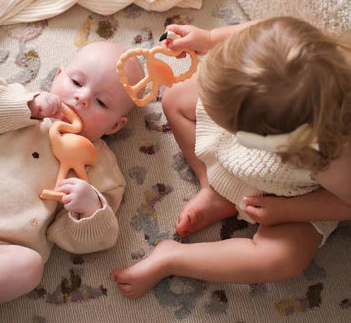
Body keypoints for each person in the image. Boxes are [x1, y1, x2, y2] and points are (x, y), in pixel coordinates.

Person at [110, 17, 351, 298]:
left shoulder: (334, 158)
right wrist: (211, 39)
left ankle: (173, 258)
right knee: (175, 97)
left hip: (294, 192)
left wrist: (289, 211)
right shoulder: (296, 49)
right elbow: (258, 31)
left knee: (281, 259)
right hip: (260, 120)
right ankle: (213, 188)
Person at [0, 41, 145, 306]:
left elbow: (96, 238)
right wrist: (25, 107)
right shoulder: (24, 106)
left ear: (115, 125)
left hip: (0, 251)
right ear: (58, 76)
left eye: (101, 102)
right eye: (75, 82)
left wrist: (89, 208)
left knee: (29, 266)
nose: (82, 97)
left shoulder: (100, 168)